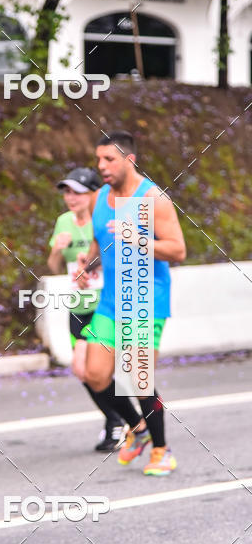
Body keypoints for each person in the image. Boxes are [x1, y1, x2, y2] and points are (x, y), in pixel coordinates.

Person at [76, 131, 186, 476]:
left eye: (109, 159)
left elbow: (178, 250)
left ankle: (162, 450)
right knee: (94, 374)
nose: (101, 167)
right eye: (99, 160)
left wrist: (139, 240)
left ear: (130, 160)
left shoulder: (151, 198)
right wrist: (88, 264)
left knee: (135, 380)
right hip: (111, 300)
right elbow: (100, 238)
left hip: (145, 296)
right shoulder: (101, 198)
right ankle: (137, 431)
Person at [47, 167, 125, 452]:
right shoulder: (64, 222)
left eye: (77, 192)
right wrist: (58, 249)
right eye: (67, 192)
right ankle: (116, 418)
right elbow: (53, 268)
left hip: (104, 306)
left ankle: (118, 421)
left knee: (95, 370)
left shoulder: (103, 221)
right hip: (78, 307)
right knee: (83, 371)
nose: (71, 198)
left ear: (94, 193)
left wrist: (94, 265)